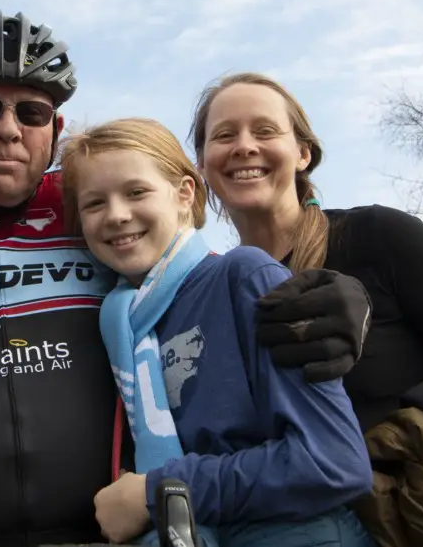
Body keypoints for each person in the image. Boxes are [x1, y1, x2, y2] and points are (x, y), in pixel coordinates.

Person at [0, 11, 375, 547]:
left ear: (54, 131)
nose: (7, 128)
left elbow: (194, 240)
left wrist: (343, 286)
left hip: (104, 530)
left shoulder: (86, 207)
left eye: (32, 111)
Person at [57, 117, 377, 547]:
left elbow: (332, 461)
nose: (116, 215)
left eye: (137, 192)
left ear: (185, 193)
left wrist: (159, 492)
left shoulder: (242, 277)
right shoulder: (122, 323)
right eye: (94, 204)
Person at [186, 71, 423, 432]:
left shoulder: (381, 237)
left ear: (302, 153)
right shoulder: (210, 300)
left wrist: (402, 437)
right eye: (225, 135)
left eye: (265, 131)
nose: (244, 146)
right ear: (201, 163)